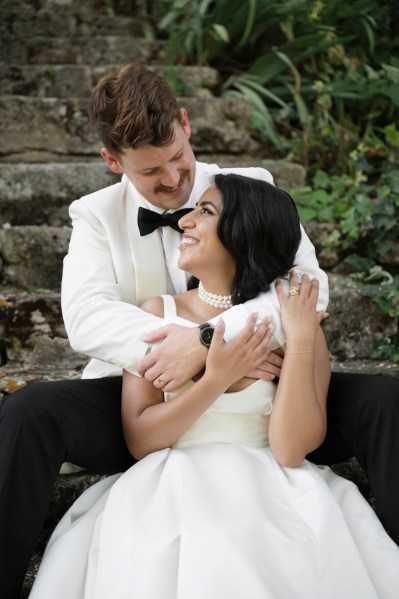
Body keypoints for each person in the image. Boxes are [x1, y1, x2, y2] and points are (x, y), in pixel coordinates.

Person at [0, 63, 397, 598]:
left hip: (266, 379)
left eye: (177, 159)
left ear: (186, 124)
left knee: (385, 401)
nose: (172, 181)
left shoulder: (251, 189)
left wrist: (211, 339)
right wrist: (190, 351)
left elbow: (310, 287)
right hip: (149, 381)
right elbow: (87, 316)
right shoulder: (94, 215)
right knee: (29, 411)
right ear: (112, 161)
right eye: (149, 172)